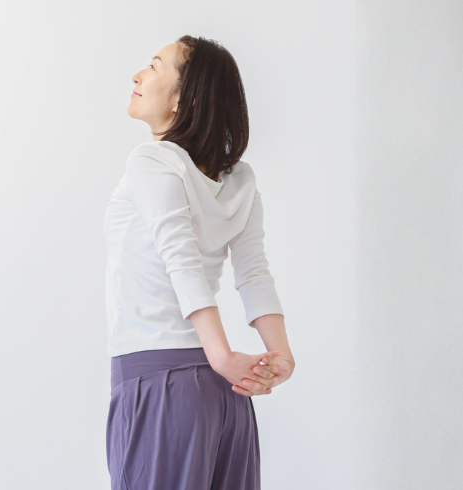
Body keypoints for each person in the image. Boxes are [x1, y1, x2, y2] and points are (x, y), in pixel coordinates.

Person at [103, 35, 296, 490]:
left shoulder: (152, 161)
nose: (138, 75)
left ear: (183, 99)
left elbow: (182, 260)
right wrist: (281, 355)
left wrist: (223, 355)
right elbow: (253, 273)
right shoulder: (238, 179)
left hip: (160, 384)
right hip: (225, 395)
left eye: (154, 66)